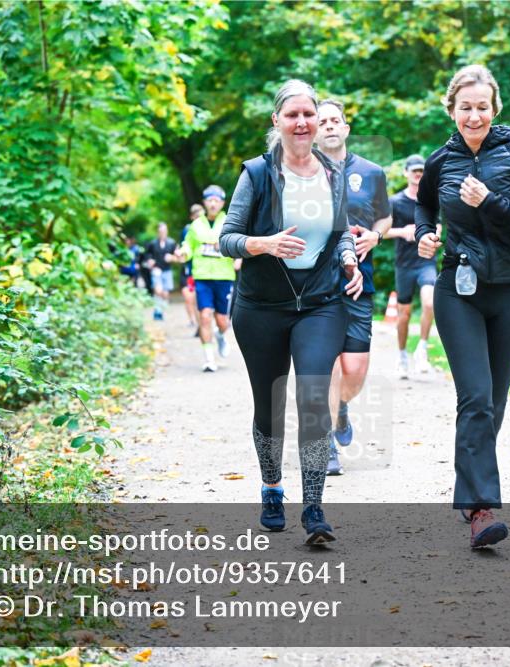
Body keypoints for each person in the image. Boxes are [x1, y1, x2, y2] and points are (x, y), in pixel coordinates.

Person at [219, 79, 363, 545]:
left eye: (310, 115)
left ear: (320, 122)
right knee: (271, 405)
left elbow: (340, 230)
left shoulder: (334, 175)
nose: (302, 123)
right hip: (260, 307)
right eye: (293, 115)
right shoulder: (257, 174)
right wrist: (264, 244)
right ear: (277, 122)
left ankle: (315, 508)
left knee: (314, 397)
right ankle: (272, 488)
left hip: (320, 304)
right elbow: (228, 239)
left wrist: (347, 257)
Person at [416, 64, 510, 548]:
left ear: (495, 109)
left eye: (482, 107)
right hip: (458, 290)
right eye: (465, 108)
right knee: (474, 397)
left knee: (492, 405)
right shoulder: (439, 161)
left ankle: (469, 487)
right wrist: (423, 235)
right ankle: (480, 509)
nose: (473, 116)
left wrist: (491, 202)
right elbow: (422, 206)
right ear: (451, 109)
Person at [316, 99, 392, 476]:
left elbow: (386, 216)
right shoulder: (301, 173)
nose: (329, 126)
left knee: (355, 370)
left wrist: (376, 238)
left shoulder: (372, 172)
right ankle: (328, 441)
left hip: (361, 283)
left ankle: (342, 409)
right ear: (314, 131)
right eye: (323, 121)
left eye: (336, 121)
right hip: (316, 285)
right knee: (326, 363)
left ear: (345, 129)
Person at [387, 154, 440, 379]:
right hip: (404, 263)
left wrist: (431, 236)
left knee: (430, 302)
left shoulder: (430, 198)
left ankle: (422, 349)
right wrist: (404, 231)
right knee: (404, 314)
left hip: (425, 261)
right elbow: (383, 231)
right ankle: (401, 355)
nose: (418, 174)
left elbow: (438, 228)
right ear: (406, 173)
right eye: (414, 170)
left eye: (422, 171)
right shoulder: (395, 202)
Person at [180, 185, 237, 372]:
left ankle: (220, 335)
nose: (213, 204)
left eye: (216, 200)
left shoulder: (230, 222)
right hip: (202, 276)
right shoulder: (196, 225)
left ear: (222, 203)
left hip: (224, 276)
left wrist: (239, 259)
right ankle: (209, 359)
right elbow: (188, 246)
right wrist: (183, 253)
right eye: (209, 200)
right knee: (205, 316)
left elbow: (239, 243)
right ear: (204, 203)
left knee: (222, 321)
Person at [144, 223, 178, 321]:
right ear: (158, 232)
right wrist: (150, 261)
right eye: (161, 231)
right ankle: (157, 311)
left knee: (165, 293)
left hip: (167, 270)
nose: (162, 233)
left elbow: (178, 257)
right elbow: (147, 255)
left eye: (164, 231)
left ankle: (161, 311)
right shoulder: (152, 243)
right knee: (158, 291)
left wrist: (172, 258)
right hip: (156, 270)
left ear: (167, 231)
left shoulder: (171, 243)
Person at [180, 204, 204, 332]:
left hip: (205, 271)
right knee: (193, 298)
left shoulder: (209, 228)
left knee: (199, 299)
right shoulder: (188, 230)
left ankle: (201, 325)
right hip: (191, 271)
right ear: (192, 217)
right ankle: (199, 325)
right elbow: (185, 248)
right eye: (197, 216)